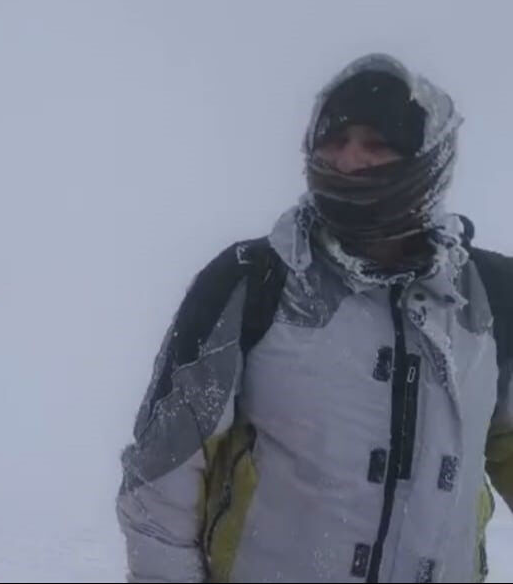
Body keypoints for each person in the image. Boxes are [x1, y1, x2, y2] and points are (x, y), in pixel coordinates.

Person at [117, 53, 513, 583]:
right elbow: (161, 478)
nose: (348, 160)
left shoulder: (490, 296)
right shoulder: (252, 282)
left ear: (430, 158)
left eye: (377, 143)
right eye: (333, 140)